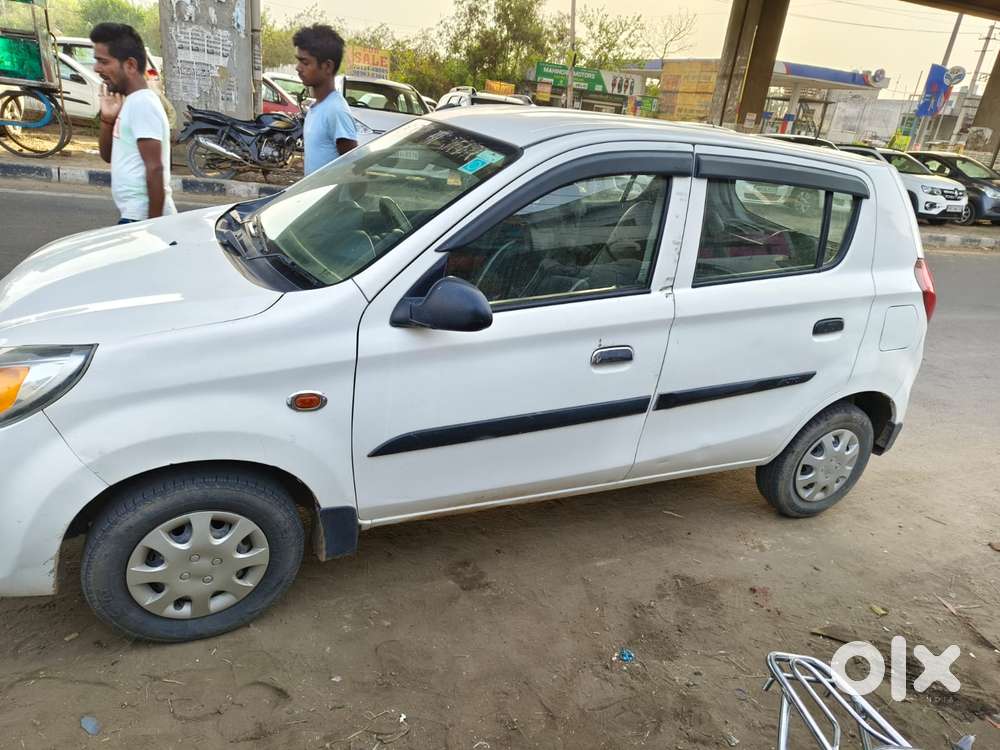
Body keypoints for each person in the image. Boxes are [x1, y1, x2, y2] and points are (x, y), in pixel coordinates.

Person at [90, 23, 175, 224]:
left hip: (141, 218)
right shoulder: (131, 102)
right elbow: (108, 156)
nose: (96, 68)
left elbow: (155, 168)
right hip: (134, 215)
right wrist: (107, 120)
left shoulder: (142, 103)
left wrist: (150, 228)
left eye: (103, 62)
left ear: (130, 65)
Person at [293, 24, 358, 176]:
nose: (298, 68)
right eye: (298, 61)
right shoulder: (316, 107)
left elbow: (355, 169)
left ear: (327, 66)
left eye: (305, 62)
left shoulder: (336, 110)